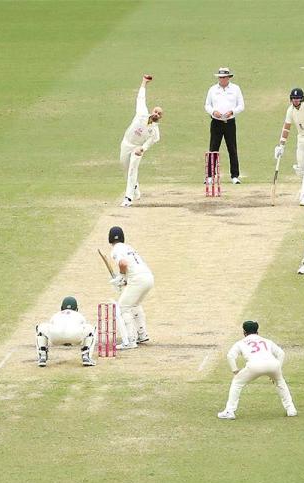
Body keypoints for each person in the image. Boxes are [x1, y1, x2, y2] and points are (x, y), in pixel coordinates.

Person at [217, 320, 297, 419]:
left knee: (237, 383)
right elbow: (281, 353)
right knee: (280, 382)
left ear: (244, 332)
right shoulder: (267, 341)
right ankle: (291, 409)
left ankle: (229, 411)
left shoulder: (240, 343)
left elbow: (230, 356)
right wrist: (278, 369)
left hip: (254, 365)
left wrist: (235, 370)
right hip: (273, 364)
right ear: (257, 332)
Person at [107, 226, 154, 350]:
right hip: (148, 277)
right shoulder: (129, 247)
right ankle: (142, 334)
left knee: (122, 307)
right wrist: (125, 279)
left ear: (110, 239)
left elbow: (123, 263)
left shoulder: (116, 250)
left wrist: (122, 276)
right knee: (134, 304)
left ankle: (130, 340)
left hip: (138, 279)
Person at [119, 74, 162, 208]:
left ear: (160, 118)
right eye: (156, 111)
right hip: (126, 143)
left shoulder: (154, 130)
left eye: (159, 114)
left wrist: (142, 148)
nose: (156, 114)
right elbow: (141, 98)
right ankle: (136, 188)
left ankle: (128, 198)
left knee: (132, 169)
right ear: (152, 111)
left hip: (137, 149)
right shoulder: (142, 112)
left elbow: (152, 141)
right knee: (125, 168)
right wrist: (144, 83)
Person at [204, 67, 245, 185]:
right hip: (216, 122)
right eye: (220, 77)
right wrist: (213, 112)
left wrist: (232, 112)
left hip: (229, 123)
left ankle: (235, 176)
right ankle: (210, 176)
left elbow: (241, 106)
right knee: (213, 148)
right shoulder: (212, 89)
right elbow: (207, 105)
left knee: (232, 149)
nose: (222, 79)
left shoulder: (235, 89)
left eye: (224, 77)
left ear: (228, 78)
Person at [35, 296, 95, 367]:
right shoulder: (79, 315)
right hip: (75, 337)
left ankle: (42, 356)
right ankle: (86, 356)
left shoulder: (56, 314)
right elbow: (83, 326)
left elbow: (51, 325)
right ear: (77, 309)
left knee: (41, 327)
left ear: (61, 308)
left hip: (55, 338)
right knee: (91, 328)